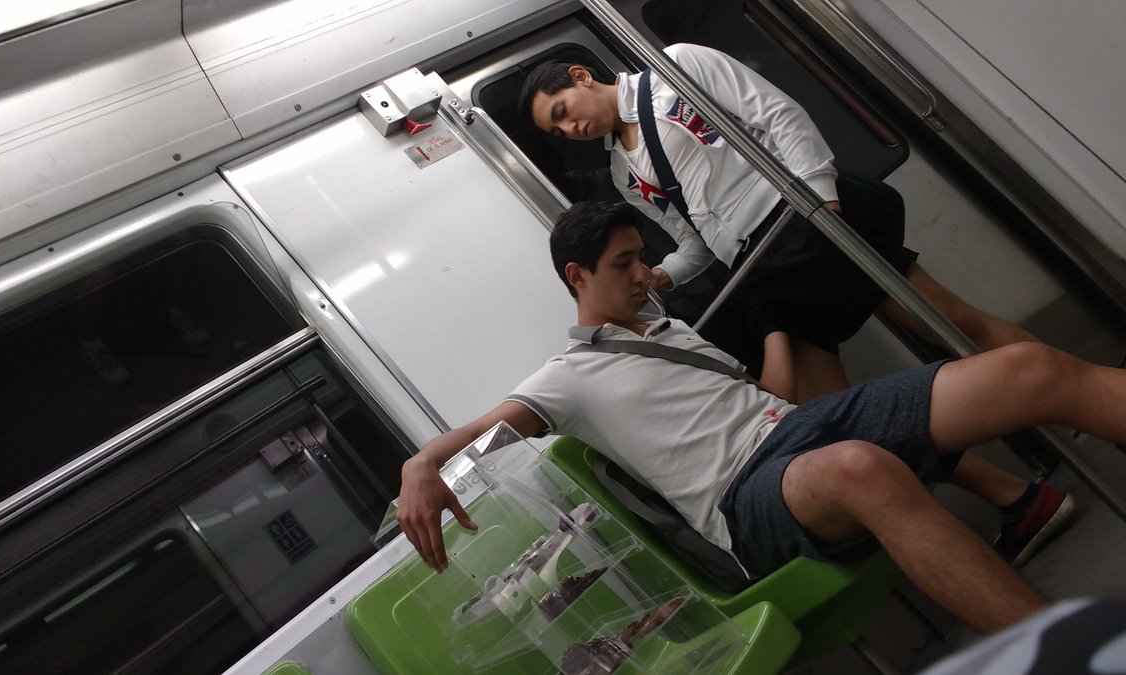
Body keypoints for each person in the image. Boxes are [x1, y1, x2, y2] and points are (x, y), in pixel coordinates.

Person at [395, 201, 1125, 634]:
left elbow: (759, 397)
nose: (644, 274)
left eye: (642, 258)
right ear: (577, 277)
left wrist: (773, 326)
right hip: (747, 498)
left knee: (1029, 369)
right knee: (860, 469)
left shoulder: (672, 330)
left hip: (802, 426)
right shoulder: (564, 378)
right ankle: (1067, 648)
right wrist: (420, 463)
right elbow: (481, 433)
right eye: (624, 264)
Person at [518, 43, 1037, 403]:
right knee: (828, 401)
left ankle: (1060, 385)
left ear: (581, 78)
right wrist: (663, 275)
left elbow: (775, 113)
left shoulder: (673, 68)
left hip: (801, 219)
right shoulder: (621, 172)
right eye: (559, 130)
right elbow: (694, 241)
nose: (572, 127)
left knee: (946, 322)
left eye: (563, 111)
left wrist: (822, 200)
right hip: (756, 267)